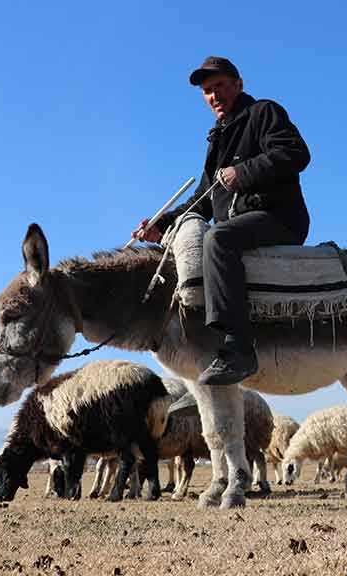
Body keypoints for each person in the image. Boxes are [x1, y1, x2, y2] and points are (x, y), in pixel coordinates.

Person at [132, 56, 311, 386]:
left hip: (279, 217)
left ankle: (240, 348)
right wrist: (162, 222)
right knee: (207, 235)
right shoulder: (218, 138)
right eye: (206, 91)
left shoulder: (264, 112)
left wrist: (241, 173)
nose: (213, 96)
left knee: (217, 239)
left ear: (238, 85)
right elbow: (202, 199)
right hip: (241, 224)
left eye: (219, 87)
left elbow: (296, 153)